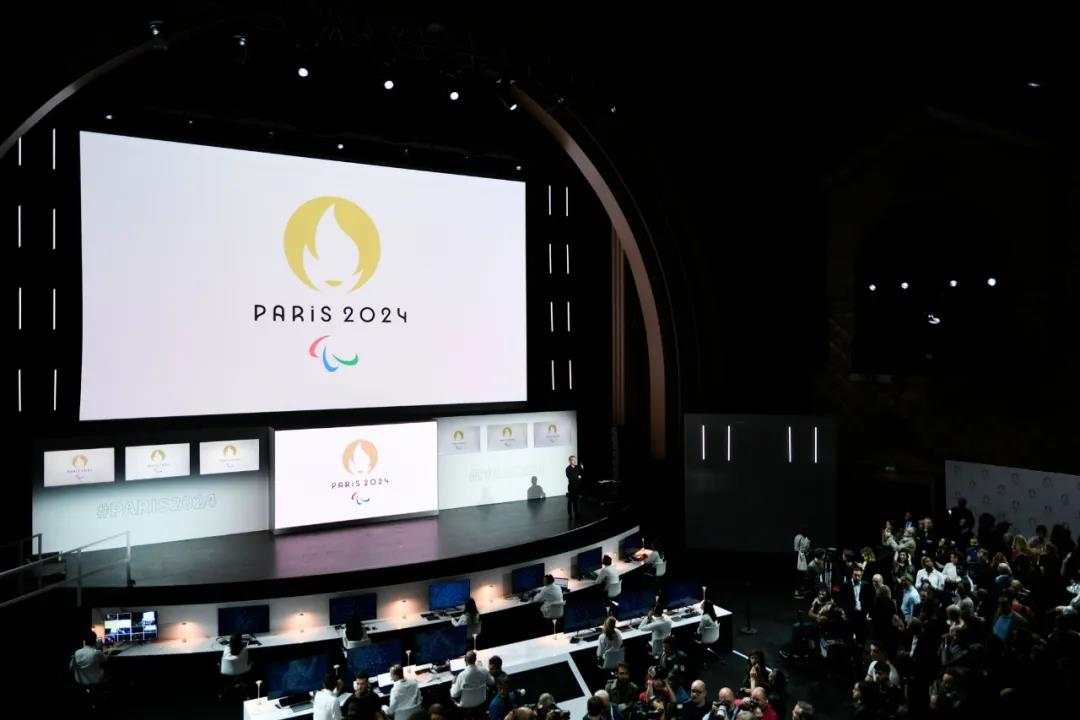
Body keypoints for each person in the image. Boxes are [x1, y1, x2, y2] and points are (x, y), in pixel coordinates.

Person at [793, 527, 811, 598]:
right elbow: (796, 548)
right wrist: (801, 553)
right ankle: (797, 591)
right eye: (804, 530)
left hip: (804, 557)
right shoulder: (799, 537)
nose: (805, 531)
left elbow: (807, 549)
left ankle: (801, 590)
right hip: (799, 557)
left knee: (803, 574)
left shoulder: (806, 538)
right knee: (799, 574)